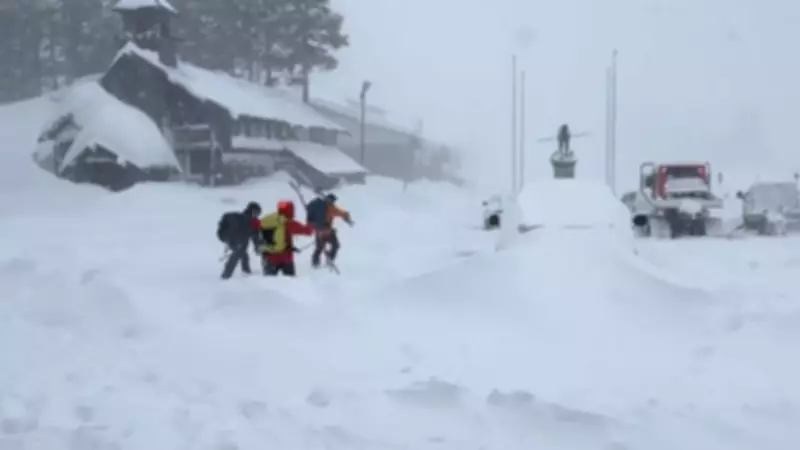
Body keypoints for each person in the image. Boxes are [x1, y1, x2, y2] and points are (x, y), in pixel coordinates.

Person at [258, 200, 315, 276]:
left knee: (268, 281)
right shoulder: (289, 223)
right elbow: (308, 231)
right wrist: (311, 220)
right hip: (285, 257)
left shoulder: (269, 219)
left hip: (268, 256)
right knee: (290, 281)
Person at [305, 193, 353, 268]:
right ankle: (324, 261)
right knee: (331, 246)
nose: (332, 202)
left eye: (333, 201)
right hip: (324, 231)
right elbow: (341, 213)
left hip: (323, 231)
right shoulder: (325, 206)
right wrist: (347, 217)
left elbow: (341, 213)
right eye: (332, 200)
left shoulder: (324, 207)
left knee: (323, 247)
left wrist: (347, 218)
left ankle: (319, 262)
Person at [217, 201, 262, 280]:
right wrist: (257, 246)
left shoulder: (241, 217)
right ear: (253, 211)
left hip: (232, 240)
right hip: (237, 241)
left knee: (243, 254)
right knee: (238, 254)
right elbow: (255, 235)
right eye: (257, 213)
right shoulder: (248, 220)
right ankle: (226, 275)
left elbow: (254, 235)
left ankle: (246, 272)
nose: (257, 215)